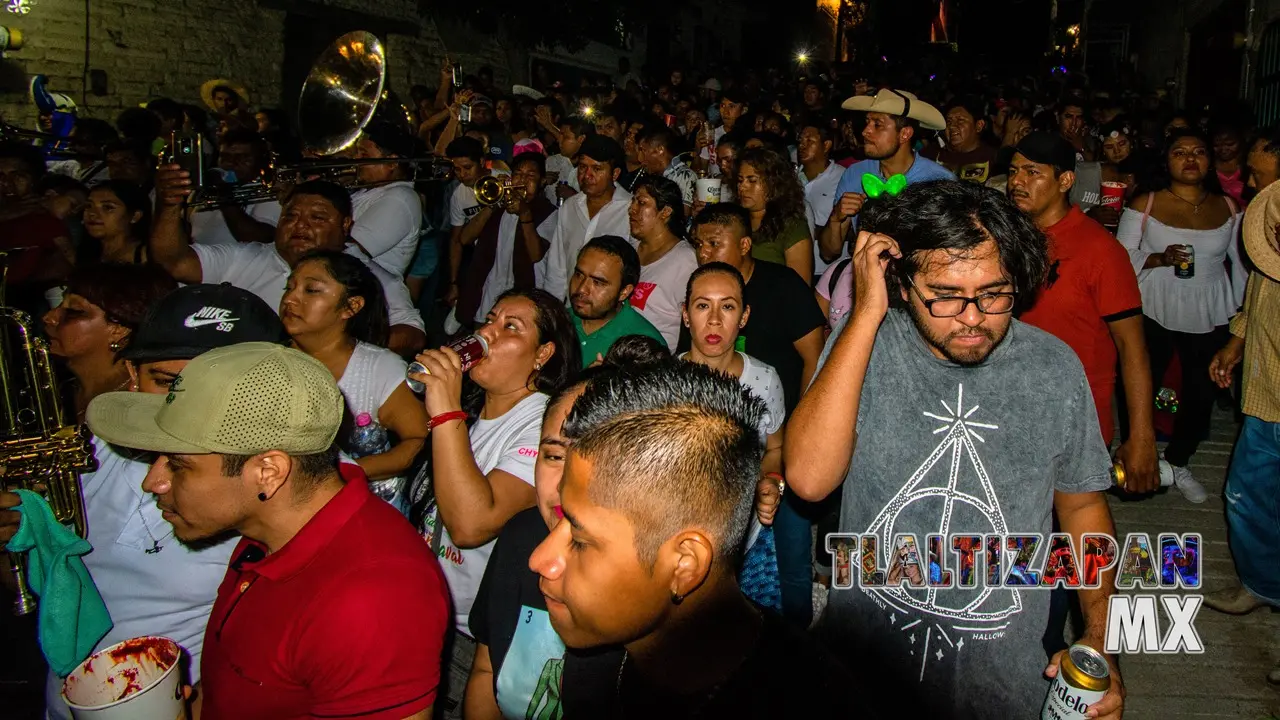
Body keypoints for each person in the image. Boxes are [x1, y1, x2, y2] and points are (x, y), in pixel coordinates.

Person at [786, 180, 1124, 720]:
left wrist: (1100, 637)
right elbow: (807, 479)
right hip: (861, 673)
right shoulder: (863, 348)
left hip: (1005, 681)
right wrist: (866, 315)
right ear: (901, 280)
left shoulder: (1054, 368)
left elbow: (1081, 507)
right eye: (944, 296)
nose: (971, 317)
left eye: (993, 293)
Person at [84, 343, 449, 719]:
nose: (153, 482)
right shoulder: (271, 528)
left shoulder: (372, 600)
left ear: (268, 473)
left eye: (177, 465)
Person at [9, 283, 288, 720]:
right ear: (133, 377)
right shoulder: (87, 452)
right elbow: (36, 589)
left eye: (215, 386)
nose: (187, 406)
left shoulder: (277, 484)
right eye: (167, 382)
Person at [531, 363, 867, 717]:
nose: (540, 558)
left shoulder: (816, 699)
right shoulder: (598, 654)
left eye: (579, 540)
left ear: (685, 564)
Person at [406, 288, 579, 716]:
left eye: (510, 328)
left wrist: (444, 410)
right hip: (423, 618)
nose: (487, 333)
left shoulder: (542, 424)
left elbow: (470, 525)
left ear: (543, 355)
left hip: (470, 639)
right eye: (490, 320)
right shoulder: (472, 413)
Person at [685, 203, 825, 627]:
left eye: (727, 307)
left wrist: (771, 481)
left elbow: (775, 446)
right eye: (701, 306)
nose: (713, 320)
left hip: (746, 536)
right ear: (684, 313)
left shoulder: (763, 380)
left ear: (743, 316)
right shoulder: (666, 381)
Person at [1009, 133, 1166, 496]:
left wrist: (1141, 437)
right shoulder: (1008, 239)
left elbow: (1132, 348)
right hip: (1010, 404)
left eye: (1032, 172)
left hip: (1074, 416)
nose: (1017, 181)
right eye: (1014, 170)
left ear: (1065, 181)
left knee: (1072, 525)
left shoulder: (1101, 251)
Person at [150, 170, 427, 356]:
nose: (300, 226)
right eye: (291, 216)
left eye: (317, 218)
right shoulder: (246, 256)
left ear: (345, 225)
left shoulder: (370, 277)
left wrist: (334, 350)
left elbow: (412, 334)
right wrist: (169, 206)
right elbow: (175, 262)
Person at [1116, 128, 1244, 490]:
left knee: (1201, 388)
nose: (1190, 159)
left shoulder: (1229, 208)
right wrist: (1159, 257)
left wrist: (1239, 315)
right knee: (1142, 381)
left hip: (1210, 305)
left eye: (1198, 151)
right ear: (1166, 160)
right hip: (1154, 303)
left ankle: (1178, 461)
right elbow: (1120, 257)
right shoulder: (1147, 203)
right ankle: (1136, 452)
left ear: (1210, 159)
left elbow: (1240, 264)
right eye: (1180, 152)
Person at [1206, 168, 1280, 685]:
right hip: (1264, 402)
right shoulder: (1269, 259)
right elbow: (1256, 299)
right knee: (1245, 499)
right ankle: (1263, 585)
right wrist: (1234, 343)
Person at [282, 251, 428, 511]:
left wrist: (344, 473)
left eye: (311, 290)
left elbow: (418, 442)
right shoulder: (266, 361)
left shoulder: (380, 368)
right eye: (289, 287)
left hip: (361, 512)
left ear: (352, 306)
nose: (291, 298)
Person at [819, 89, 952, 267]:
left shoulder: (939, 180)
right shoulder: (855, 173)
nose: (866, 131)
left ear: (904, 134)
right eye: (867, 122)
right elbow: (829, 253)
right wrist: (836, 218)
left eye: (877, 125)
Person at [42, 264, 178, 420]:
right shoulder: (58, 391)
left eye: (73, 311)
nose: (49, 317)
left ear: (119, 330)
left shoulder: (140, 403)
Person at [455, 151, 558, 328]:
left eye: (530, 175)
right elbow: (464, 238)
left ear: (541, 182)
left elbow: (536, 254)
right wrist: (493, 204)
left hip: (522, 296)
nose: (523, 180)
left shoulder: (549, 212)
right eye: (518, 174)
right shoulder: (498, 205)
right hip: (485, 295)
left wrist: (525, 213)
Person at [541, 135, 632, 301]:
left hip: (610, 314)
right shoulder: (570, 207)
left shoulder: (630, 210)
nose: (587, 175)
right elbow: (557, 266)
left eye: (597, 169)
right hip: (571, 310)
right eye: (583, 167)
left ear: (615, 174)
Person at [569, 235, 666, 366]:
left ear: (624, 292)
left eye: (598, 282)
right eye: (579, 275)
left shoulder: (644, 346)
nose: (581, 289)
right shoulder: (556, 321)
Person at [626, 175, 699, 348]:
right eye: (633, 201)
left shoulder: (685, 260)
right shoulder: (631, 248)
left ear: (665, 212)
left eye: (641, 203)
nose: (631, 209)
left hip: (658, 359)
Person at [348, 120, 424, 276]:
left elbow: (349, 252)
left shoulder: (401, 198)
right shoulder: (371, 190)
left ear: (391, 163)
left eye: (364, 154)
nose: (356, 159)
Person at [187, 128, 280, 247]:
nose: (232, 163)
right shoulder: (205, 189)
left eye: (242, 158)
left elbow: (259, 238)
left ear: (260, 160)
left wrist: (224, 192)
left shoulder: (269, 191)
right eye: (225, 157)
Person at [445, 136, 508, 309]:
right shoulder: (459, 195)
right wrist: (453, 283)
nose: (462, 175)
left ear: (481, 161)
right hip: (482, 260)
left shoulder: (503, 179)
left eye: (467, 168)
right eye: (456, 169)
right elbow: (457, 240)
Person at [737, 147, 813, 282]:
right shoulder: (736, 220)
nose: (742, 187)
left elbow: (800, 287)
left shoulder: (792, 226)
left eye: (752, 180)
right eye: (740, 180)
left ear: (773, 184)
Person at [796, 118, 846, 276]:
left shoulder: (843, 178)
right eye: (800, 140)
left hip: (830, 272)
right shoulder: (790, 178)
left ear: (826, 145)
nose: (802, 145)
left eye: (809, 141)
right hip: (797, 269)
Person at [925, 96, 998, 183]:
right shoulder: (931, 154)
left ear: (979, 125)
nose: (952, 126)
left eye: (960, 120)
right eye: (949, 121)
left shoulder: (994, 159)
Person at [80, 180, 151, 265]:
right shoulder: (84, 252)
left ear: (135, 216)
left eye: (107, 207)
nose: (92, 213)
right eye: (88, 206)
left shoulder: (147, 256)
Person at [637, 125, 696, 212]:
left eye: (644, 151)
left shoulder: (684, 176)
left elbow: (682, 215)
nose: (640, 158)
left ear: (660, 150)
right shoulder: (653, 176)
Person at [544, 115, 593, 204]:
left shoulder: (592, 170)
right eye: (560, 135)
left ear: (581, 139)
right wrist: (542, 182)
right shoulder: (552, 162)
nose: (559, 140)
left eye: (566, 137)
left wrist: (574, 196)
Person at [1212, 121, 1247, 206]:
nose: (1223, 149)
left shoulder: (1248, 167)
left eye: (1230, 144)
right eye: (1216, 145)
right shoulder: (1207, 167)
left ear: (1241, 141)